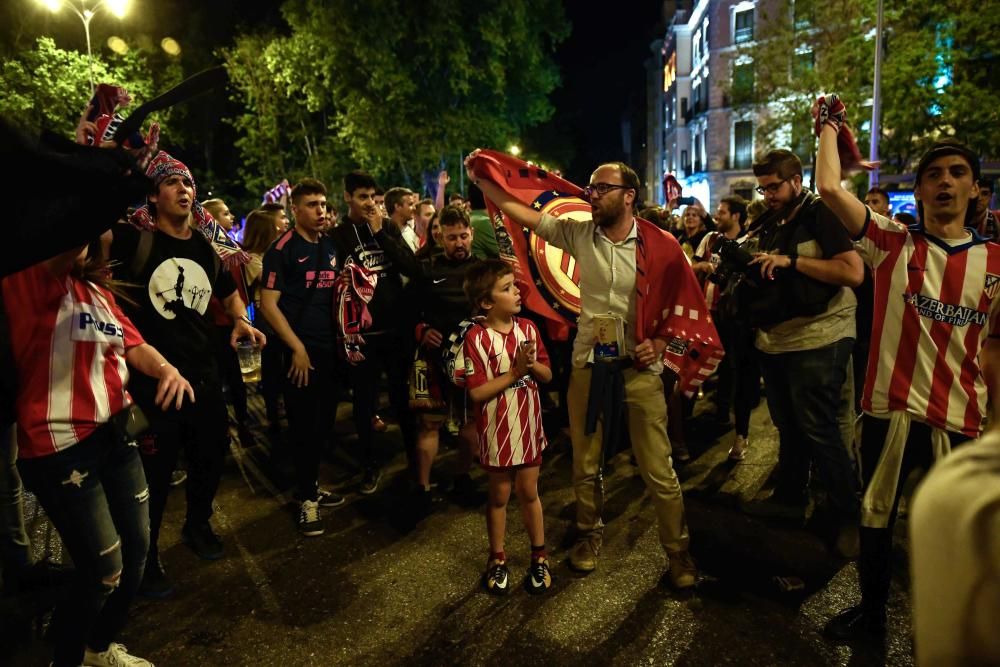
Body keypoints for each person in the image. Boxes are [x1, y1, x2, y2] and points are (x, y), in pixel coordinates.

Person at [466, 153, 701, 589]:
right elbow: (524, 213)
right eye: (590, 187)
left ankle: (678, 553)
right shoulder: (579, 233)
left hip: (638, 372)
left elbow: (684, 311)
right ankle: (589, 536)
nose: (591, 195)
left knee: (659, 471)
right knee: (584, 463)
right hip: (588, 368)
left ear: (629, 196)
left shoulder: (662, 244)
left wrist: (662, 345)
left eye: (601, 188)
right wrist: (484, 180)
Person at [813, 94, 1000, 641]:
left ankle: (955, 629)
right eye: (933, 174)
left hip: (960, 418)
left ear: (974, 188)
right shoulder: (889, 242)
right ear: (917, 190)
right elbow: (828, 188)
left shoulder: (995, 263)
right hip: (887, 411)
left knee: (958, 530)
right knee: (875, 517)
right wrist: (829, 125)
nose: (945, 182)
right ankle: (873, 617)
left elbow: (994, 347)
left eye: (957, 172)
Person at [4, 234, 194, 667]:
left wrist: (168, 370)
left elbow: (134, 344)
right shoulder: (31, 278)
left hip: (119, 433)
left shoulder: (97, 290)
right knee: (104, 571)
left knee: (138, 553)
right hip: (62, 447)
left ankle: (98, 646)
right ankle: (65, 656)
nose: (101, 233)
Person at [110, 151, 265, 596]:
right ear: (154, 195)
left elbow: (229, 291)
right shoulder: (133, 243)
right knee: (152, 478)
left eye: (188, 184)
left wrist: (240, 319)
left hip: (203, 376)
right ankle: (147, 553)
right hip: (150, 384)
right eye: (173, 184)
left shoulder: (203, 245)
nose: (184, 190)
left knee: (211, 457)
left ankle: (198, 525)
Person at [741, 149, 863, 553]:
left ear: (796, 180)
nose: (768, 195)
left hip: (820, 334)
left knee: (820, 428)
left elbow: (852, 271)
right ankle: (791, 501)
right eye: (763, 188)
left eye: (774, 186)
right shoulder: (772, 217)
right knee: (789, 426)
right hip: (777, 337)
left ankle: (849, 518)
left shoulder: (821, 212)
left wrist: (790, 261)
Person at [260, 178, 346, 535]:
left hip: (329, 350)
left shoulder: (329, 245)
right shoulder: (281, 249)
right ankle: (307, 500)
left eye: (323, 204)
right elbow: (267, 304)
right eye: (312, 204)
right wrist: (296, 347)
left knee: (325, 424)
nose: (320, 210)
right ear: (294, 209)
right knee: (304, 427)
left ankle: (309, 485)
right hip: (298, 352)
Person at [463, 259, 553, 595]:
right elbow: (476, 391)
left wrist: (532, 367)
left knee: (529, 492)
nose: (517, 292)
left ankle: (539, 557)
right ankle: (497, 558)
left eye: (514, 286)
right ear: (486, 302)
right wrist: (515, 373)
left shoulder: (528, 329)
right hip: (497, 431)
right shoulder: (476, 337)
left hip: (528, 426)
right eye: (507, 288)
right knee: (499, 495)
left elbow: (547, 374)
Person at [328, 171, 419, 494]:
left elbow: (411, 267)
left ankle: (415, 464)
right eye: (362, 197)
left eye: (373, 197)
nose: (369, 203)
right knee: (365, 404)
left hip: (396, 329)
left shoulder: (388, 228)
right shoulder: (338, 236)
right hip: (362, 336)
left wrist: (381, 234)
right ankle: (369, 466)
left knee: (402, 400)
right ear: (348, 197)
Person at [407, 206, 482, 514]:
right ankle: (422, 489)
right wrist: (421, 329)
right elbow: (405, 311)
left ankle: (462, 478)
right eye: (452, 238)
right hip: (432, 359)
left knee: (470, 424)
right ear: (440, 237)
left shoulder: (485, 272)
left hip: (472, 360)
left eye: (463, 236)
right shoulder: (427, 270)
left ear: (472, 234)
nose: (459, 243)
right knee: (428, 425)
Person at [242, 208, 286, 430]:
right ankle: (272, 413)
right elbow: (271, 280)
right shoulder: (253, 259)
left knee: (281, 365)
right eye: (274, 229)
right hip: (265, 318)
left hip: (279, 313)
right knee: (270, 368)